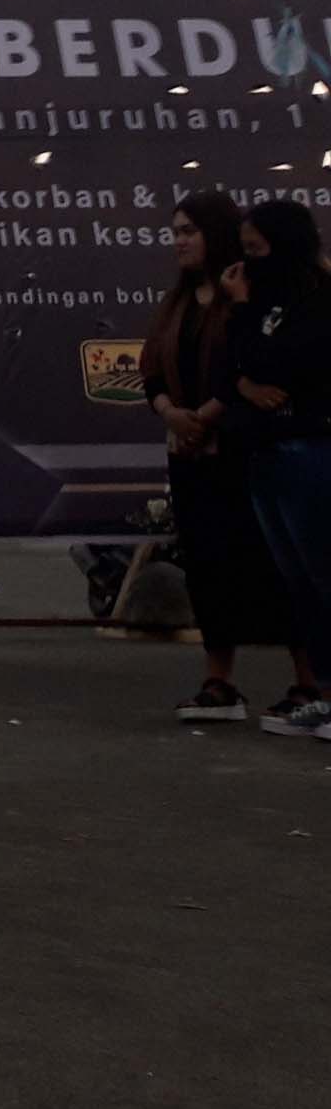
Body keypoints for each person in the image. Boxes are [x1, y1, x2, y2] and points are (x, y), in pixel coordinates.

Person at [140, 190, 313, 722]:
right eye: (174, 232)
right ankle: (220, 683)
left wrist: (205, 416)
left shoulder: (250, 293)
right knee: (207, 569)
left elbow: (254, 365)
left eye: (188, 230)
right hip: (190, 456)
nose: (179, 242)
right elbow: (151, 371)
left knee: (277, 568)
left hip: (242, 451)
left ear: (215, 233)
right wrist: (171, 412)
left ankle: (309, 685)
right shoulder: (177, 301)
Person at [218, 198, 331, 739]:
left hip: (312, 449)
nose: (247, 264)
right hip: (265, 453)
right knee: (299, 583)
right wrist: (243, 383)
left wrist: (249, 349)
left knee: (325, 574)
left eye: (256, 251)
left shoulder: (319, 299)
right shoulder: (259, 301)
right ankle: (324, 694)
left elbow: (283, 362)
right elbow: (226, 366)